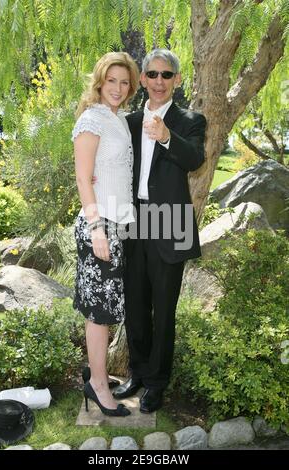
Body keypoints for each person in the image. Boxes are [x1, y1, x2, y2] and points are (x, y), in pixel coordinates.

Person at [113, 49, 206, 413]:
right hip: (134, 220)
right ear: (144, 80)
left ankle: (156, 384)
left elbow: (195, 159)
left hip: (172, 221)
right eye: (152, 74)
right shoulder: (130, 121)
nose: (158, 81)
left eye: (166, 75)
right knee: (135, 304)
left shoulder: (190, 120)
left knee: (163, 310)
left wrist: (167, 135)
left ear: (177, 80)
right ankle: (136, 373)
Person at [72, 52, 139, 416]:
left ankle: (97, 374)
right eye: (111, 81)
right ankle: (98, 385)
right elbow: (84, 178)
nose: (118, 88)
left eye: (124, 82)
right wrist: (97, 228)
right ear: (100, 82)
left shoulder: (120, 120)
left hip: (119, 225)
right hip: (99, 227)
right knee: (99, 313)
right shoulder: (92, 119)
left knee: (107, 309)